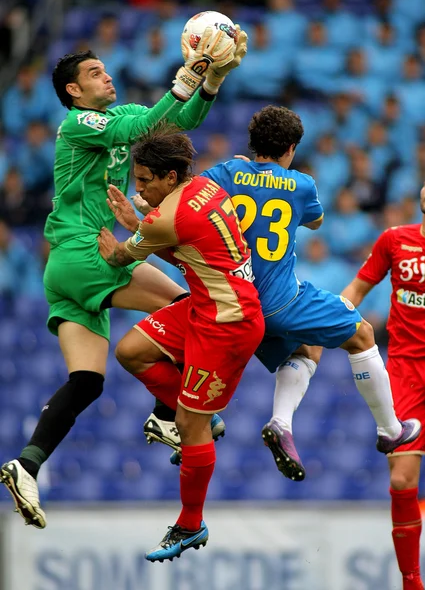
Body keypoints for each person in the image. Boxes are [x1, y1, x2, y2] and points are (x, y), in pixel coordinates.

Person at [0, 28, 248, 530]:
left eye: (105, 69)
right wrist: (183, 79)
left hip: (64, 270)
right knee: (184, 303)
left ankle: (26, 464)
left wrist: (210, 82)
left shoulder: (121, 118)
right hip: (90, 252)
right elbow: (127, 132)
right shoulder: (77, 125)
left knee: (87, 382)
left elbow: (174, 126)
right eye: (94, 73)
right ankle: (164, 413)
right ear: (73, 90)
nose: (106, 75)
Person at [198, 105, 420, 481]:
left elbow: (195, 196)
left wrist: (239, 176)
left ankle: (281, 424)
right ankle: (390, 430)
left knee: (306, 347)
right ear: (292, 147)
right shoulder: (301, 184)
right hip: (283, 300)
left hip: (238, 305)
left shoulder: (226, 173)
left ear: (253, 145)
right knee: (363, 335)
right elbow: (315, 220)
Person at [97, 125, 265, 562]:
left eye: (145, 181)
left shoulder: (166, 217)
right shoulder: (205, 187)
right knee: (131, 351)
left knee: (189, 427)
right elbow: (185, 248)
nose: (140, 188)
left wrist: (119, 239)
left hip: (227, 324)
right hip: (205, 305)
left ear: (170, 177)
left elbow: (121, 256)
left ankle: (191, 523)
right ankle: (200, 420)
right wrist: (139, 224)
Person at [341, 186, 425, 590]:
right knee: (401, 481)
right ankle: (412, 581)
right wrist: (329, 317)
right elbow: (356, 290)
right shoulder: (395, 240)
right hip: (408, 371)